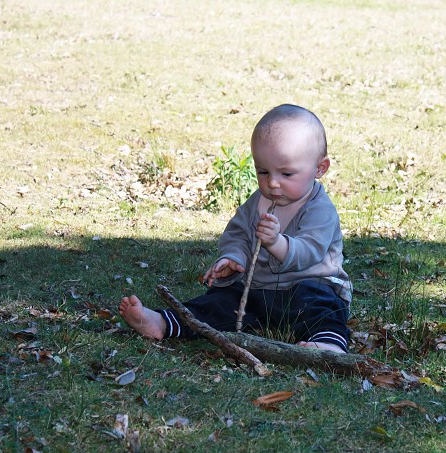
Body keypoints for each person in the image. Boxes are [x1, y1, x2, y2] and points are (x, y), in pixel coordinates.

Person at [119, 104, 352, 352]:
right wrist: (233, 257)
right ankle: (164, 323)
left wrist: (277, 243)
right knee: (220, 303)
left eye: (286, 173)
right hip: (257, 291)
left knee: (320, 305)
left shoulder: (319, 209)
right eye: (263, 171)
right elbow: (238, 234)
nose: (272, 183)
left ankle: (328, 343)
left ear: (320, 168)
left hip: (306, 284)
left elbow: (310, 251)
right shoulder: (258, 202)